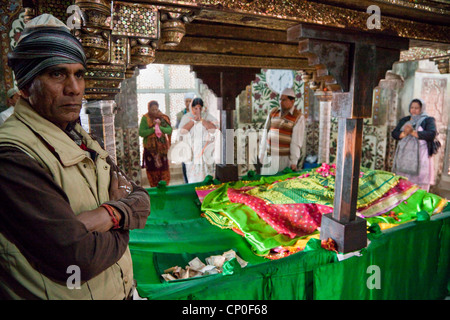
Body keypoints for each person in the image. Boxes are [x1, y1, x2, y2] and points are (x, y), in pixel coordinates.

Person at [0, 14, 150, 300]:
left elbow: (141, 198)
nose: (74, 88)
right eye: (56, 74)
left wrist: (109, 214)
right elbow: (77, 257)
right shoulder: (13, 155)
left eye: (78, 74)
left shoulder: (81, 137)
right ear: (25, 86)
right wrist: (124, 218)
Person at [392, 98, 437, 192]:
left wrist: (413, 132)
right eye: (412, 107)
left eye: (417, 108)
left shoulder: (428, 120)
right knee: (403, 184)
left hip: (421, 156)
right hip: (404, 157)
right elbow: (394, 133)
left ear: (422, 109)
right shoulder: (405, 120)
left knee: (419, 186)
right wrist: (404, 133)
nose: (414, 110)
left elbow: (431, 134)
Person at [258, 87, 306, 175]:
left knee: (279, 183)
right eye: (280, 99)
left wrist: (294, 161)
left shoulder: (298, 117)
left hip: (284, 159)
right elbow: (265, 132)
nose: (280, 102)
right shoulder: (273, 112)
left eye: (284, 100)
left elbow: (296, 141)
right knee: (266, 184)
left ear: (292, 101)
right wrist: (262, 153)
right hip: (269, 156)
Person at [178, 97, 218, 183]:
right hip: (192, 152)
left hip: (206, 151)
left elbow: (214, 130)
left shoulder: (208, 117)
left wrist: (203, 121)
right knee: (194, 178)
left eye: (200, 108)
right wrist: (193, 121)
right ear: (191, 108)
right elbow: (182, 131)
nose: (198, 110)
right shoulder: (187, 117)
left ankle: (207, 192)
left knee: (207, 176)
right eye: (195, 108)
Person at [139, 100, 172, 187]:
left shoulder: (162, 117)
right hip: (150, 152)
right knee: (152, 172)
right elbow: (141, 133)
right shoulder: (145, 118)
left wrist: (160, 127)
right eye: (152, 109)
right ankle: (154, 189)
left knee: (164, 171)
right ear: (149, 109)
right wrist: (153, 129)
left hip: (162, 152)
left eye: (156, 109)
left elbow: (169, 130)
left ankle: (164, 190)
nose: (154, 111)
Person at [176, 92, 195, 183]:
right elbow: (178, 128)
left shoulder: (197, 113)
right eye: (186, 101)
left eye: (190, 101)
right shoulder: (180, 115)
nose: (188, 103)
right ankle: (186, 181)